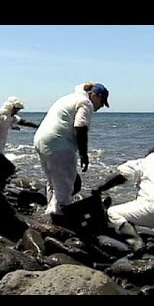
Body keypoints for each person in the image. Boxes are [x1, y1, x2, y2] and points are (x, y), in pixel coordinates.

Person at [33, 82, 109, 218]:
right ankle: (61, 217)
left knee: (53, 181)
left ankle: (50, 213)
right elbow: (80, 127)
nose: (101, 106)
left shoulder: (67, 98)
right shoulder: (86, 102)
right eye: (102, 102)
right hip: (59, 144)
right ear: (96, 96)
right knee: (65, 186)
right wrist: (84, 154)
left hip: (41, 139)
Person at [0, 96, 38, 174]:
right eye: (16, 109)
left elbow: (24, 122)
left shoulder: (10, 116)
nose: (17, 112)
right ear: (10, 107)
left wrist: (39, 126)